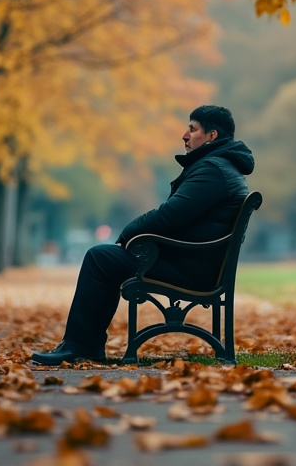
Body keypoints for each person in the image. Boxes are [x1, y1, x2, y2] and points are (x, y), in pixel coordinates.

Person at [32, 105, 255, 366]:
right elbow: (178, 218)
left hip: (191, 268)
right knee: (104, 257)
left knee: (99, 257)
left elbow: (169, 217)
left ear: (212, 136)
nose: (185, 135)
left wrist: (128, 233)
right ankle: (82, 344)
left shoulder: (213, 170)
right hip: (195, 261)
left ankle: (81, 345)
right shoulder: (221, 166)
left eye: (192, 129)